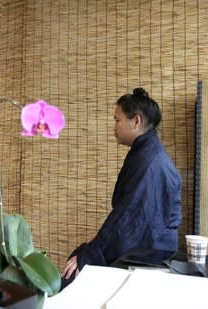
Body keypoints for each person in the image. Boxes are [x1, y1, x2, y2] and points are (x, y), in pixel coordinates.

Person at [61, 87, 182, 289]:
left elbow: (130, 221)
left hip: (150, 254)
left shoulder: (150, 161)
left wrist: (90, 253)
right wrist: (95, 242)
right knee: (79, 258)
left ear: (136, 121)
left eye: (117, 120)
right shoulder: (147, 152)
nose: (114, 126)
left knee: (73, 274)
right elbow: (129, 214)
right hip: (144, 242)